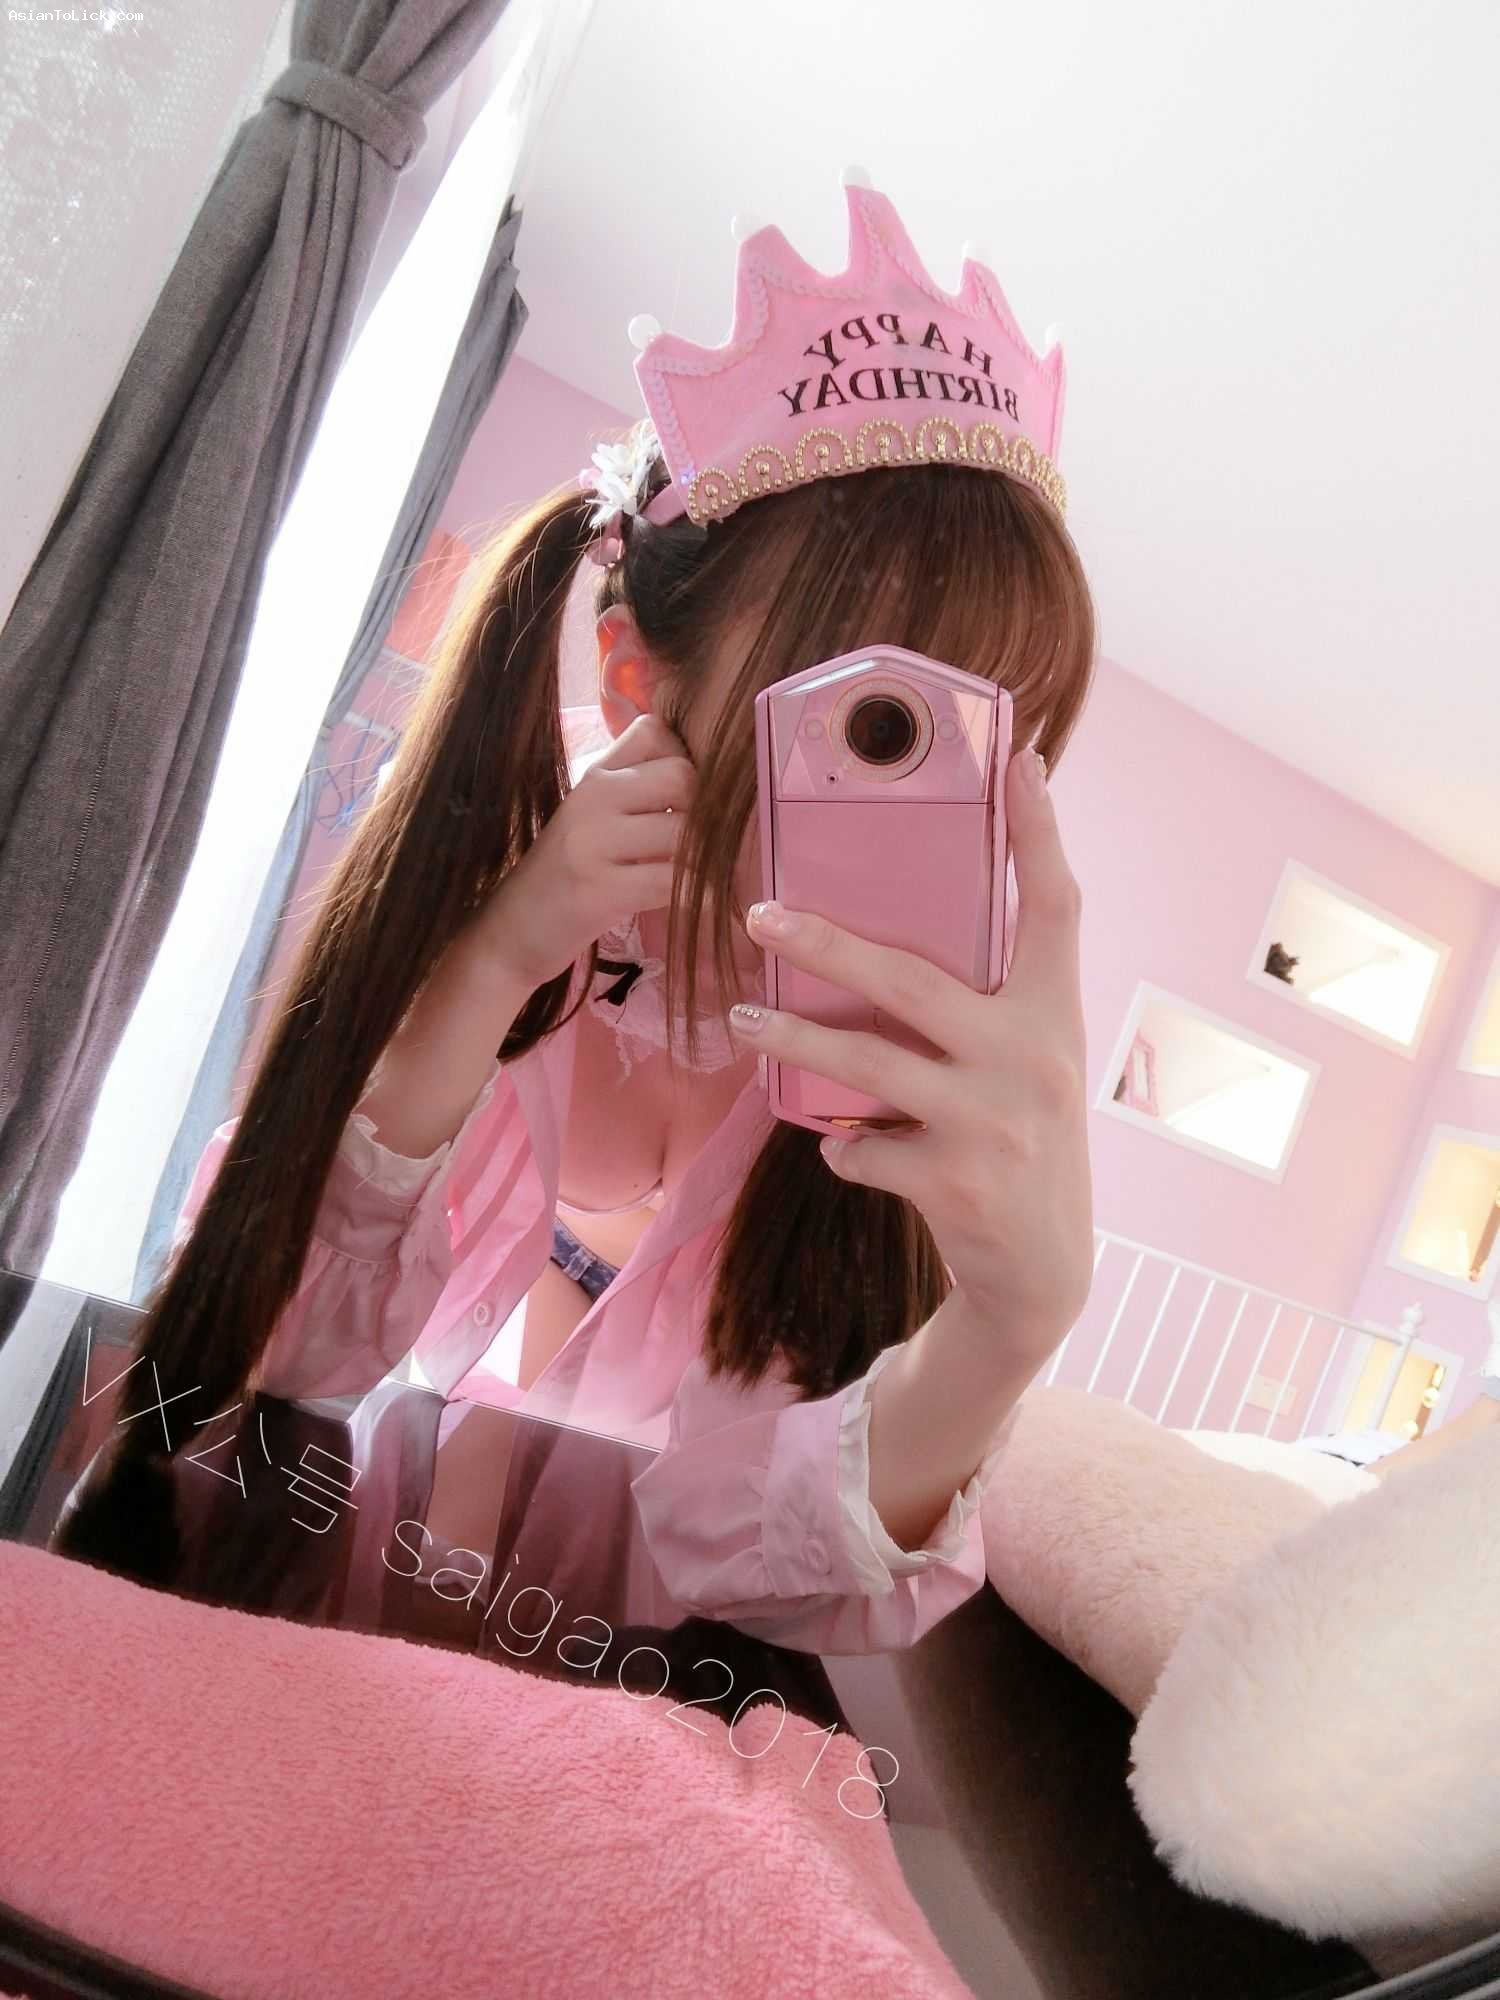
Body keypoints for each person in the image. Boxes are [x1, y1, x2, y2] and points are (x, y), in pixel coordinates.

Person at [55, 174, 1098, 1653]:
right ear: (635, 679)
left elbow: (763, 1576)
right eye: (871, 722)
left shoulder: (919, 1068)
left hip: (605, 1653)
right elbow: (276, 1350)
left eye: (993, 735)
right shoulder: (500, 876)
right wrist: (490, 965)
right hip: (318, 1554)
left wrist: (1010, 1323)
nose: (926, 797)